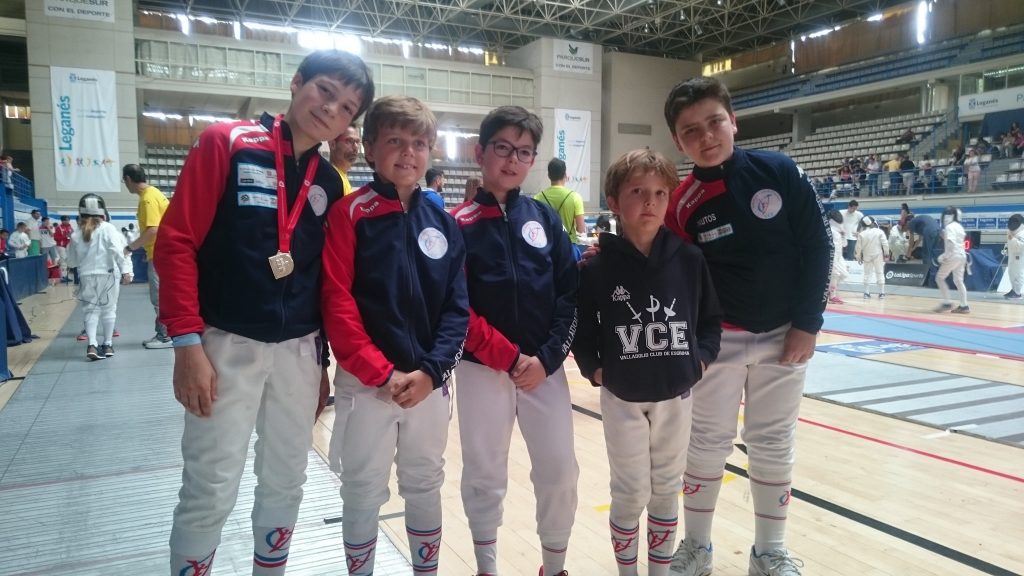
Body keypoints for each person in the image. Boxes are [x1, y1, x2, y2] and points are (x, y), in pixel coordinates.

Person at [156, 49, 373, 576]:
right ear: (297, 82)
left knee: (286, 478)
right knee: (211, 484)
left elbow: (323, 280)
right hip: (224, 345)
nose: (331, 109)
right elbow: (177, 242)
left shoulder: (329, 182)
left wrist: (321, 362)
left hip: (299, 351)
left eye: (346, 107)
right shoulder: (225, 143)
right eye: (325, 91)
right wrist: (186, 343)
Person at [660, 77, 830, 576]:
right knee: (706, 443)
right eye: (691, 131)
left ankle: (769, 552)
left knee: (773, 442)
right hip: (717, 342)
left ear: (733, 121)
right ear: (678, 142)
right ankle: (697, 548)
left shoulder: (779, 171)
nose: (706, 136)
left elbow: (818, 246)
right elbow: (672, 274)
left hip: (785, 336)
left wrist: (807, 323)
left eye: (714, 122)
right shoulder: (681, 202)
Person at [321, 95, 468, 576]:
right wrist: (380, 373)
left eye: (419, 144)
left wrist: (431, 371)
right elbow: (338, 303)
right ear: (369, 148)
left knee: (425, 484)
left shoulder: (445, 224)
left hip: (428, 383)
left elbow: (457, 309)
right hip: (367, 385)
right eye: (395, 141)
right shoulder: (349, 214)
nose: (408, 153)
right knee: (362, 489)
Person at [572, 149, 723, 576]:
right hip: (622, 396)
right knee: (630, 491)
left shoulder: (690, 260)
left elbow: (710, 321)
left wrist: (700, 361)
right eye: (637, 192)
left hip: (676, 394)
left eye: (659, 193)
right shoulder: (596, 268)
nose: (650, 202)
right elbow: (582, 329)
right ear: (615, 202)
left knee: (666, 490)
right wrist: (594, 368)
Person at [451, 106, 579, 576]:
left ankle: (554, 567)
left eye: (524, 152)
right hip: (482, 369)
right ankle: (486, 567)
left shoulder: (545, 218)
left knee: (560, 470)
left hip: (544, 370)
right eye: (503, 148)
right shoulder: (455, 224)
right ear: (480, 152)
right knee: (484, 472)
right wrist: (506, 357)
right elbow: (454, 305)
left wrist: (547, 358)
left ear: (533, 160)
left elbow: (570, 293)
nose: (512, 160)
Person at [66, 194, 133, 360]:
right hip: (107, 275)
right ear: (102, 212)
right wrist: (125, 271)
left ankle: (92, 345)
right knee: (109, 309)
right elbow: (117, 251)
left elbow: (72, 261)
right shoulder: (108, 228)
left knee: (90, 311)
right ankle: (108, 344)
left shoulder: (76, 233)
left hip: (86, 276)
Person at [121, 164, 172, 348]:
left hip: (160, 253)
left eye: (124, 181)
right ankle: (166, 333)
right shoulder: (154, 193)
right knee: (164, 295)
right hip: (160, 251)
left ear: (128, 179)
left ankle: (165, 335)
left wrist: (130, 247)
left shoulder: (147, 199)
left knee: (159, 297)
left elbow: (153, 229)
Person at [535, 157, 587, 249]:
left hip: (547, 247)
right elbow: (581, 229)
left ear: (549, 175)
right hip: (568, 246)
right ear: (565, 175)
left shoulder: (537, 198)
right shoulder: (575, 197)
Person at [933, 206, 970, 314]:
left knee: (939, 278)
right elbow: (956, 240)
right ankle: (964, 306)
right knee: (959, 281)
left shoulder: (950, 227)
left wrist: (944, 256)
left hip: (953, 255)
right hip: (962, 256)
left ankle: (947, 303)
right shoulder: (959, 227)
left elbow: (951, 243)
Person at [855, 216, 890, 299]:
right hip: (878, 255)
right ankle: (882, 293)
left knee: (867, 274)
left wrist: (858, 257)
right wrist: (886, 254)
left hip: (867, 256)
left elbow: (858, 248)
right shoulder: (879, 232)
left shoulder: (862, 234)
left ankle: (866, 293)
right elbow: (885, 244)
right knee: (880, 272)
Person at [328, 124, 361, 195]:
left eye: (357, 142)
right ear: (332, 144)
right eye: (349, 141)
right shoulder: (331, 180)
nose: (355, 147)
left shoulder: (342, 177)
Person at [827, 210, 848, 305]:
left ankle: (828, 290)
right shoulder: (830, 230)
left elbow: (844, 245)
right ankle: (832, 296)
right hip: (832, 256)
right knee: (835, 274)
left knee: (844, 274)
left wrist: (844, 235)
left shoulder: (838, 230)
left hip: (839, 256)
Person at [1004, 214, 1024, 299]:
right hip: (1012, 255)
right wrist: (1006, 248)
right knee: (1011, 272)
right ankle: (1014, 289)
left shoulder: (1022, 233)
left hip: (1019, 256)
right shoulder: (1011, 232)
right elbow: (1008, 243)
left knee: (1018, 273)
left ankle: (1017, 292)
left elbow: (1021, 246)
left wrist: (1012, 239)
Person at [55, 215, 73, 281]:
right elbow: (55, 238)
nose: (68, 221)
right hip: (61, 246)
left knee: (66, 261)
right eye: (66, 220)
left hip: (68, 246)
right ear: (62, 221)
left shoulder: (70, 227)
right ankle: (63, 277)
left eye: (68, 220)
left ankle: (65, 275)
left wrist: (71, 235)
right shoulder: (58, 227)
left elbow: (72, 235)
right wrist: (65, 236)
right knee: (64, 261)